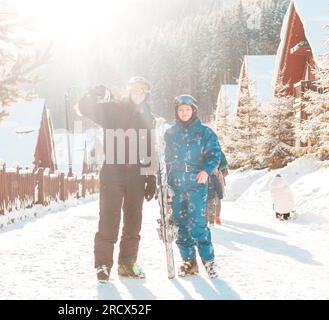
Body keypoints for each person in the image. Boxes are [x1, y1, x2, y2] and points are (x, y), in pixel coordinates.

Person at [77, 76, 156, 282]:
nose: (139, 94)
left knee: (133, 221)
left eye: (143, 91)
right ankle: (103, 265)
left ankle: (127, 264)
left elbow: (149, 148)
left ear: (146, 95)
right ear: (129, 90)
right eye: (136, 90)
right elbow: (84, 108)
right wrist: (92, 95)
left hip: (137, 177)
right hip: (113, 173)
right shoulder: (113, 108)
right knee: (109, 218)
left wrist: (151, 176)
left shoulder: (149, 117)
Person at [164, 94, 221, 278]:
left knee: (197, 224)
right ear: (177, 112)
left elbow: (215, 154)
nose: (184, 112)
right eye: (181, 109)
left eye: (187, 109)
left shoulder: (205, 132)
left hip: (197, 182)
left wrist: (207, 171)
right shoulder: (170, 133)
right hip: (177, 183)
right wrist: (166, 181)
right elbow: (167, 158)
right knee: (181, 224)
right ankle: (189, 263)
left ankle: (209, 262)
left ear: (193, 110)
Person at [214, 151, 229, 225]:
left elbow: (225, 163)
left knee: (218, 196)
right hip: (206, 176)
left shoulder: (219, 151)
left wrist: (218, 168)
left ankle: (217, 217)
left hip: (217, 176)